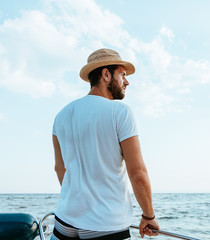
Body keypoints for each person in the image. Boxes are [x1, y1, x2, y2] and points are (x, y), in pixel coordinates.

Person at [52, 48, 159, 240]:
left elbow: (60, 169)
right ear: (106, 74)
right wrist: (148, 215)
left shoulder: (61, 116)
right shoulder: (120, 112)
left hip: (64, 221)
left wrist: (80, 203)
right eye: (123, 75)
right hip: (105, 224)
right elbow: (137, 173)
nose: (127, 82)